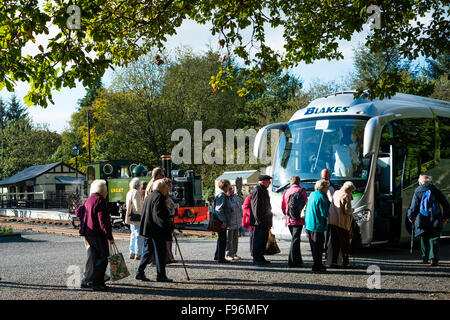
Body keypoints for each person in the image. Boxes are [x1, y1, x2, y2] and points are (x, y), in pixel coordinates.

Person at [79, 179, 114, 291]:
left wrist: (86, 219)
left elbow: (78, 212)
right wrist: (109, 236)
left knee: (95, 258)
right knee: (103, 258)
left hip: (88, 233)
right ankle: (98, 283)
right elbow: (102, 221)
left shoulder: (88, 200)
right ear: (103, 190)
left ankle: (94, 281)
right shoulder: (100, 201)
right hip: (98, 234)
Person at [136, 179, 175, 282]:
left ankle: (140, 272)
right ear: (161, 188)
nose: (167, 189)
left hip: (148, 229)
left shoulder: (149, 197)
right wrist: (169, 226)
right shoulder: (159, 198)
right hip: (157, 230)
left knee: (147, 251)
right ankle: (161, 276)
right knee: (160, 253)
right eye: (165, 187)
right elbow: (159, 215)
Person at [407, 174, 449, 266]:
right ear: (430, 182)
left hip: (422, 219)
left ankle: (424, 257)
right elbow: (445, 204)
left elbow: (414, 206)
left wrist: (411, 216)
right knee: (434, 238)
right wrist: (446, 217)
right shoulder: (436, 191)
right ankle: (433, 259)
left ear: (420, 182)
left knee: (423, 237)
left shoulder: (418, 191)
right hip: (436, 218)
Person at [304, 179, 330, 273]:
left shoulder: (312, 194)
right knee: (318, 247)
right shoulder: (322, 197)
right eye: (327, 187)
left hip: (309, 224)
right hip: (317, 225)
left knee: (314, 247)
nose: (328, 189)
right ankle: (317, 266)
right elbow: (325, 213)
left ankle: (317, 264)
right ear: (323, 187)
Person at [328, 181, 355, 269]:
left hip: (332, 221)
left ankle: (334, 262)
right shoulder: (346, 195)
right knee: (344, 244)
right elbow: (347, 211)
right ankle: (346, 263)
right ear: (349, 189)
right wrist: (352, 210)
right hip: (342, 223)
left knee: (335, 243)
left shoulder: (336, 192)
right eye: (352, 191)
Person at [282, 176, 308, 268]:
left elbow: (283, 207)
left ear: (291, 182)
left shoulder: (286, 192)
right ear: (299, 182)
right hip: (298, 220)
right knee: (295, 240)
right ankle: (292, 261)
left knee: (295, 239)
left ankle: (298, 260)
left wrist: (287, 216)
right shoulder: (302, 191)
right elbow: (305, 205)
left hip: (289, 219)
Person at [250, 175, 273, 265]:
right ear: (263, 181)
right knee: (258, 240)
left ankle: (260, 257)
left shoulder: (263, 189)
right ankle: (257, 258)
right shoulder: (258, 190)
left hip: (265, 220)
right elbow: (255, 206)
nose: (270, 183)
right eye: (268, 181)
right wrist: (258, 220)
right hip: (260, 221)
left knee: (263, 240)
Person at [213, 179, 232, 263]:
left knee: (221, 238)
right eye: (229, 185)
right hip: (221, 221)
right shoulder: (222, 195)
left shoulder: (222, 194)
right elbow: (219, 209)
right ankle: (221, 258)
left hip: (221, 220)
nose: (230, 187)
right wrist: (223, 221)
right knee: (222, 239)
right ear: (226, 186)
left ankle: (218, 256)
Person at [125, 177, 144, 260]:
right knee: (138, 235)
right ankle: (138, 253)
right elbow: (137, 206)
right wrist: (142, 213)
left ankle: (132, 252)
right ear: (138, 185)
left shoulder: (129, 192)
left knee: (133, 234)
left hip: (130, 216)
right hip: (136, 217)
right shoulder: (136, 192)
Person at [226, 187, 243, 261]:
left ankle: (234, 253)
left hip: (237, 221)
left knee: (235, 239)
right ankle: (228, 254)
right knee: (228, 239)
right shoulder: (225, 198)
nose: (231, 190)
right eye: (229, 189)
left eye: (231, 189)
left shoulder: (235, 197)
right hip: (229, 222)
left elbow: (240, 207)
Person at [164, 177, 178, 264]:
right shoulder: (165, 196)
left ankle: (169, 256)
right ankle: (169, 256)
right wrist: (175, 205)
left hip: (170, 217)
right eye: (169, 184)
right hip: (168, 218)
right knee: (168, 239)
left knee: (169, 238)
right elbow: (169, 206)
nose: (171, 186)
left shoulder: (167, 195)